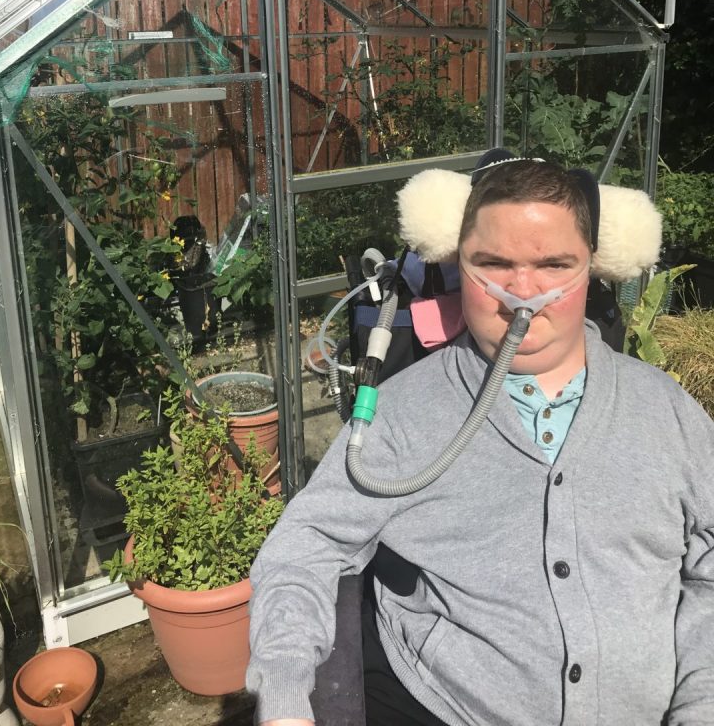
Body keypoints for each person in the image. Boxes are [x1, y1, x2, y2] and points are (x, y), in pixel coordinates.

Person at [246, 154, 714, 726]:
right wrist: (286, 693)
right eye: (493, 263)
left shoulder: (665, 409)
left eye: (553, 265)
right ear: (458, 263)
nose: (521, 294)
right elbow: (305, 546)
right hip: (449, 705)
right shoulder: (403, 416)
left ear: (592, 267)